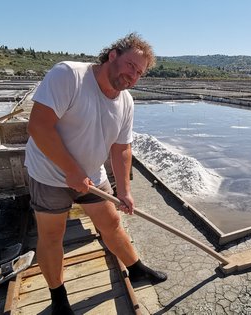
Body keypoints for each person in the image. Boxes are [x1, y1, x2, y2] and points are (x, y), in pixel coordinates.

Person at [25, 32, 166, 315]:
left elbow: (122, 149)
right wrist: (71, 170)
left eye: (139, 73)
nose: (133, 76)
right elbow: (39, 126)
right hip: (49, 175)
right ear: (112, 55)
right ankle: (59, 298)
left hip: (91, 174)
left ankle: (136, 269)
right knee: (52, 235)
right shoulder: (70, 75)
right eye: (130, 66)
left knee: (112, 222)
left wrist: (124, 191)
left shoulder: (126, 102)